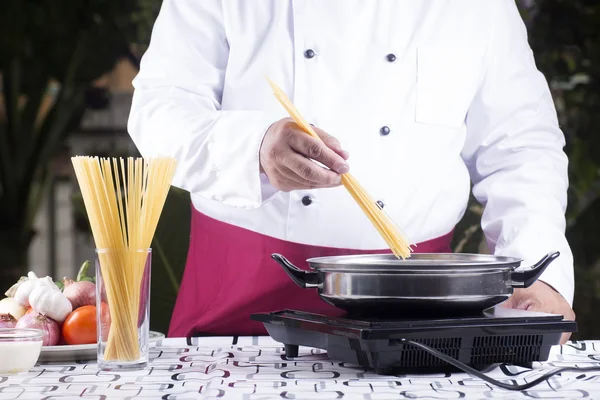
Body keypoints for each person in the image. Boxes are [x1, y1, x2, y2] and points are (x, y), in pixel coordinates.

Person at [127, 0, 576, 343]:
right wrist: (255, 145)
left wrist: (539, 275)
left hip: (419, 307)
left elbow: (520, 147)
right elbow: (161, 110)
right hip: (240, 297)